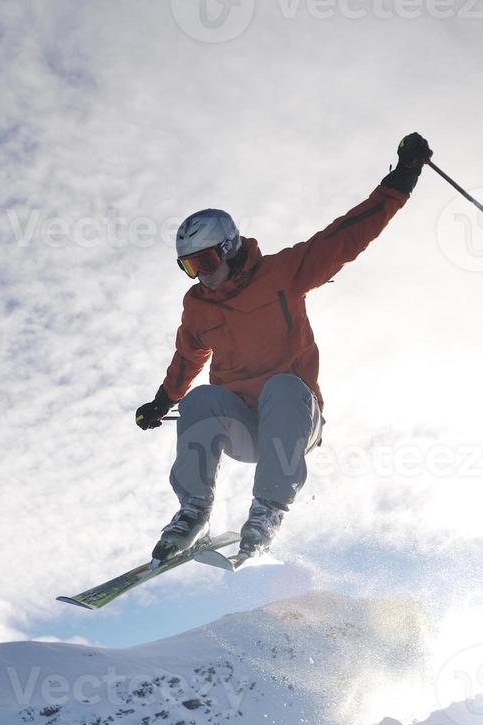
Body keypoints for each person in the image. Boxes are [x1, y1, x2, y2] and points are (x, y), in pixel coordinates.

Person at [136, 133, 433, 562]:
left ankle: (267, 511)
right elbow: (187, 357)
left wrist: (404, 175)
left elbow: (345, 236)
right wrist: (163, 401)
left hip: (293, 421)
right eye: (188, 267)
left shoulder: (282, 273)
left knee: (284, 386)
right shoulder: (198, 306)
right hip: (245, 427)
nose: (200, 275)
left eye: (205, 262)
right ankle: (192, 511)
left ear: (229, 247)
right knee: (200, 400)